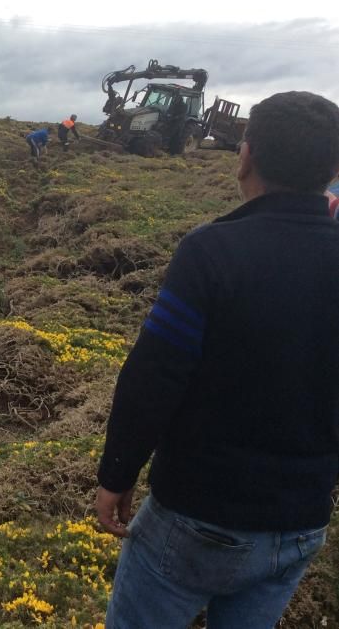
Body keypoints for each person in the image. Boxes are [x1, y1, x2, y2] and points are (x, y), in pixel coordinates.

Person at [95, 91, 339, 628]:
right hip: (301, 523)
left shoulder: (212, 252)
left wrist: (116, 474)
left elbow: (155, 376)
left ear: (245, 154)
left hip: (198, 515)